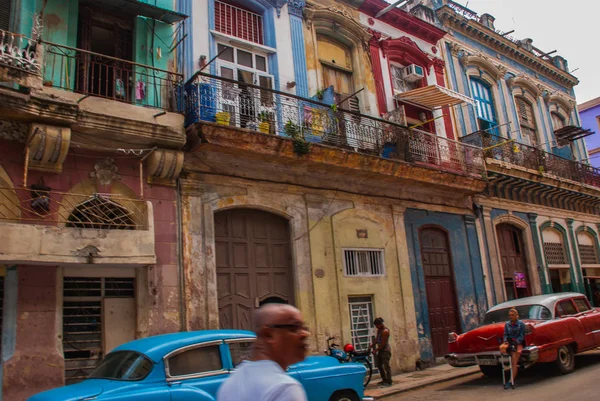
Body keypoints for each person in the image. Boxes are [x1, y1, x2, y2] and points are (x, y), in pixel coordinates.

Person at [217, 304, 310, 401]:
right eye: (294, 327)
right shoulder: (284, 388)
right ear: (268, 335)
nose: (305, 334)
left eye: (304, 327)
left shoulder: (231, 383)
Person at [501, 308, 525, 389]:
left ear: (516, 315)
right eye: (510, 315)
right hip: (509, 342)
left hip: (518, 343)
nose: (511, 317)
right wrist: (505, 341)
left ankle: (511, 381)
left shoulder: (521, 324)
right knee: (503, 352)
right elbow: (505, 334)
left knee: (514, 362)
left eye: (512, 315)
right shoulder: (507, 324)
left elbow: (521, 335)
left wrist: (516, 342)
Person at [370, 317, 392, 387]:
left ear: (379, 324)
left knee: (386, 366)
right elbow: (377, 339)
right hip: (380, 350)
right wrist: (371, 345)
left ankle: (389, 381)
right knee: (379, 365)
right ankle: (384, 379)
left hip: (385, 350)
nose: (376, 327)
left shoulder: (385, 331)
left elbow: (383, 343)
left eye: (377, 325)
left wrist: (376, 350)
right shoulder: (379, 330)